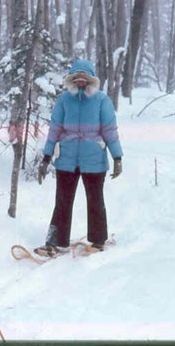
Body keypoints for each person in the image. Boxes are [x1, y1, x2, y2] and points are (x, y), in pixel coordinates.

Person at [36, 59, 123, 257]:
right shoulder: (64, 100)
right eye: (77, 79)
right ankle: (55, 243)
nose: (81, 82)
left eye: (84, 78)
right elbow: (54, 130)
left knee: (95, 200)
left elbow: (110, 131)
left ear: (91, 80)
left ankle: (98, 241)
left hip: (94, 159)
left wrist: (117, 157)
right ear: (72, 80)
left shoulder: (102, 100)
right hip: (66, 159)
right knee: (62, 201)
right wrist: (46, 157)